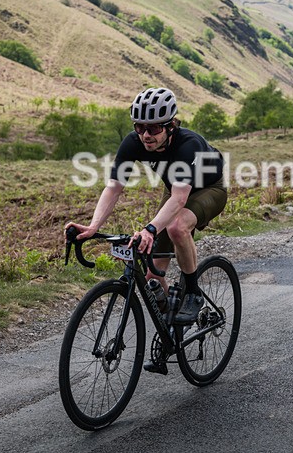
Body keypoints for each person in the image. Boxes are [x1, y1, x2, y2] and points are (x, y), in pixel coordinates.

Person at [65, 87, 227, 332]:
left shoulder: (188, 144)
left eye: (153, 129)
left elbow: (180, 199)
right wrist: (93, 226)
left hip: (208, 189)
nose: (145, 135)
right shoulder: (133, 142)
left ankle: (193, 292)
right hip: (174, 190)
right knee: (153, 277)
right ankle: (169, 331)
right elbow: (114, 187)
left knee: (176, 227)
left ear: (171, 125)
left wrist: (150, 229)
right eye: (139, 127)